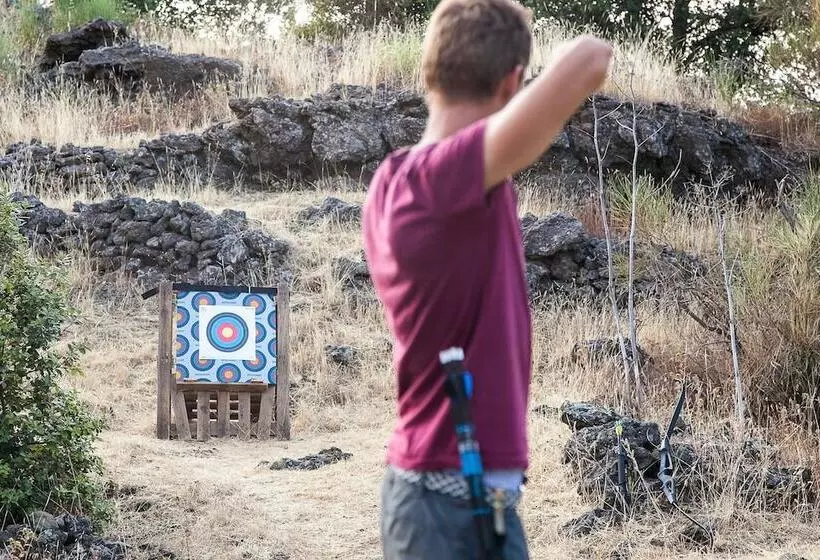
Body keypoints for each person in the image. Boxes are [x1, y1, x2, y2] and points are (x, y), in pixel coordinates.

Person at [362, 1, 614, 557]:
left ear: (432, 69)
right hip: (451, 503)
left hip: (452, 499)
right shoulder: (442, 180)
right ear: (510, 82)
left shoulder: (394, 178)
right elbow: (591, 58)